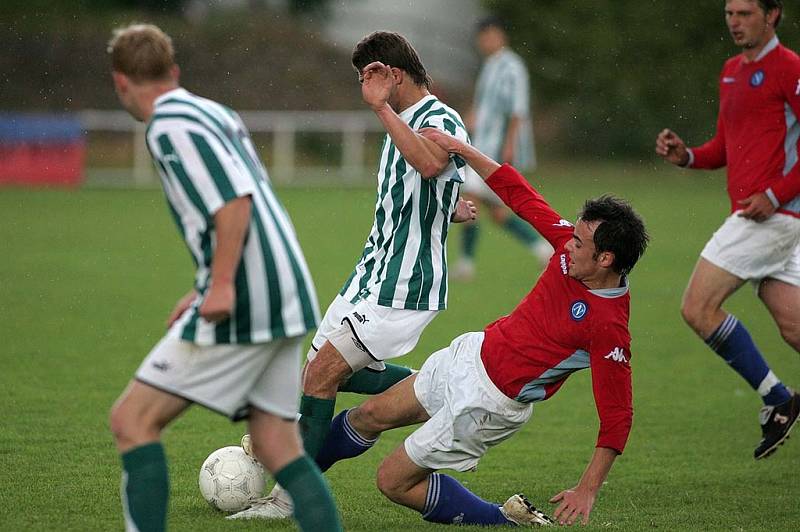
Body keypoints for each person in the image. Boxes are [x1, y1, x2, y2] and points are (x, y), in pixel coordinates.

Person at [309, 128, 649, 527]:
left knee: (392, 481)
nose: (567, 245)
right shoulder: (570, 251)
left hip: (488, 404)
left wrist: (587, 488)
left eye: (578, 243)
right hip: (470, 353)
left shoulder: (608, 326)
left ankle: (503, 520)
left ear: (606, 258)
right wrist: (463, 149)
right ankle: (290, 481)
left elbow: (617, 415)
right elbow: (520, 195)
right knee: (365, 416)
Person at [105, 24, 342, 532]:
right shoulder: (213, 111)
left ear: (121, 82)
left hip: (248, 299)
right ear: (173, 72)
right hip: (286, 292)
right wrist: (205, 282)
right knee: (276, 443)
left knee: (132, 421)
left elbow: (234, 201)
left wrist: (220, 285)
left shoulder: (169, 125)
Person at [228, 31, 473, 520]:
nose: (364, 86)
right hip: (369, 275)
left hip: (404, 286)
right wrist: (446, 211)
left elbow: (428, 163)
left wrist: (382, 111)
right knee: (319, 377)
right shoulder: (399, 123)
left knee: (321, 375)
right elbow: (415, 195)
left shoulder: (439, 118)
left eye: (369, 75)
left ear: (393, 75)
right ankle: (441, 389)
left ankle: (289, 499)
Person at [655, 0, 800, 459]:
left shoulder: (790, 68)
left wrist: (775, 195)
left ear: (772, 15)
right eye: (729, 14)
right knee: (794, 326)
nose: (735, 22)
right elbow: (725, 146)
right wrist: (689, 156)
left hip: (773, 216)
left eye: (745, 13)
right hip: (770, 216)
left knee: (698, 307)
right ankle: (778, 398)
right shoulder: (731, 70)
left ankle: (778, 398)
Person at [454, 15, 551, 281]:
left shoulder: (512, 66)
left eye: (490, 35)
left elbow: (518, 109)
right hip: (482, 146)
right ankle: (543, 249)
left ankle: (466, 264)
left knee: (469, 197)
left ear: (501, 36)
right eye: (482, 37)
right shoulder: (490, 66)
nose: (486, 41)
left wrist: (509, 145)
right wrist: (467, 121)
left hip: (496, 149)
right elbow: (483, 106)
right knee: (497, 212)